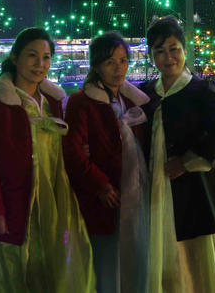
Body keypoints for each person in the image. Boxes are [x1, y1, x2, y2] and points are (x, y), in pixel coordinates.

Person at [0, 27, 96, 293]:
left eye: (46, 57)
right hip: (13, 205)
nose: (40, 64)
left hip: (51, 206)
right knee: (13, 277)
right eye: (32, 55)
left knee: (49, 276)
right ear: (15, 57)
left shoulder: (54, 102)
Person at [139, 16, 215, 293]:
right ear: (151, 56)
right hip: (155, 187)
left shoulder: (202, 91)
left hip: (197, 191)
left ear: (185, 49)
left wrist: (187, 162)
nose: (168, 58)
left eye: (173, 48)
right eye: (160, 51)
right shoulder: (145, 95)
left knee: (199, 252)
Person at [64, 32, 151, 293]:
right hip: (104, 197)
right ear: (97, 65)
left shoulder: (132, 99)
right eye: (110, 62)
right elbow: (73, 151)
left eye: (123, 61)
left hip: (134, 193)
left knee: (132, 257)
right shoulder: (82, 102)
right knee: (104, 262)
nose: (118, 68)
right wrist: (100, 185)